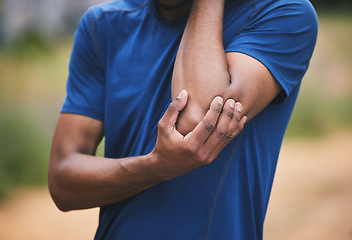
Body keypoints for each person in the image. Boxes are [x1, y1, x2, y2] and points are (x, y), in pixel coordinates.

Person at [48, 0, 318, 239]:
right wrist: (153, 167)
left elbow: (197, 119)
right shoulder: (103, 25)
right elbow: (63, 180)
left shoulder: (283, 12)